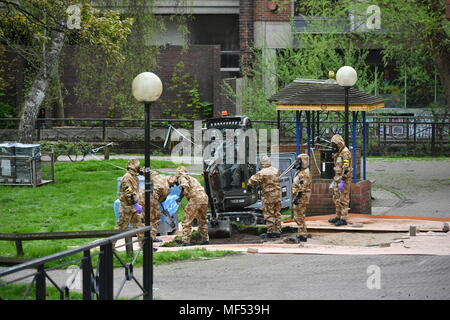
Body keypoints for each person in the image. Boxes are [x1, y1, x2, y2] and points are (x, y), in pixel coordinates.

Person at [167, 166, 209, 246]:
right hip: (204, 198)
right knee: (202, 220)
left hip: (195, 198)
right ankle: (205, 240)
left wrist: (180, 198)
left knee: (186, 221)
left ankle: (186, 241)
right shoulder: (192, 178)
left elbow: (185, 186)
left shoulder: (181, 177)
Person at [247, 155, 282, 239]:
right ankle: (278, 230)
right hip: (277, 195)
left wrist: (249, 185)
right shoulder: (276, 170)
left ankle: (271, 232)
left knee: (269, 213)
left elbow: (252, 180)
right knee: (277, 213)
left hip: (268, 196)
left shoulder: (262, 172)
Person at [115, 159, 145, 247]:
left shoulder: (134, 177)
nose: (139, 168)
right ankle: (110, 247)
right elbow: (129, 193)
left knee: (140, 226)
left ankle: (144, 247)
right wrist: (136, 204)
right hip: (126, 208)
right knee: (121, 228)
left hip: (134, 208)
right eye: (138, 166)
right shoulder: (127, 178)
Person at [137, 170, 170, 242]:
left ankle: (144, 238)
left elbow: (148, 171)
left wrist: (140, 171)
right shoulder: (167, 188)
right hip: (151, 198)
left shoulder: (157, 175)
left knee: (143, 217)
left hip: (141, 195)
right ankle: (151, 238)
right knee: (155, 217)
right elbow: (161, 200)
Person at [328, 134, 353, 226]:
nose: (333, 147)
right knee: (336, 198)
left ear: (339, 144)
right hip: (337, 178)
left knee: (343, 199)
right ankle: (338, 216)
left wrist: (343, 180)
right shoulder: (339, 152)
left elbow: (346, 167)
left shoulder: (345, 153)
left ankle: (343, 218)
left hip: (344, 180)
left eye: (334, 145)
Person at [291, 153, 312, 242]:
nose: (297, 162)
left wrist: (297, 197)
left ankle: (302, 235)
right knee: (299, 216)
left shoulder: (305, 173)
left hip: (301, 197)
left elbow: (302, 187)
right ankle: (302, 233)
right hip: (299, 196)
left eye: (298, 161)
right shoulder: (300, 171)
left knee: (299, 216)